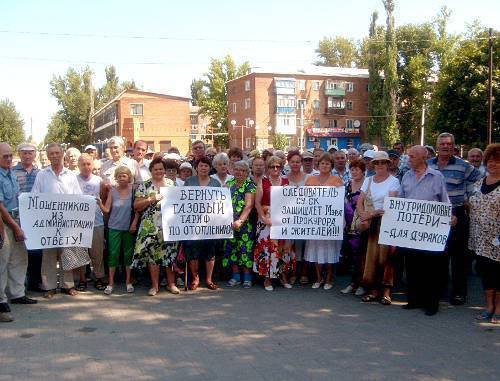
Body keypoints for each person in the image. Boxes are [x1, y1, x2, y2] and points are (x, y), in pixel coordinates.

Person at [428, 132, 481, 305]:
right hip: (434, 214)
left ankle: (459, 293)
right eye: (442, 144)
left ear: (453, 147)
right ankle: (441, 290)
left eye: (448, 144)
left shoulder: (463, 166)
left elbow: (480, 180)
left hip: (457, 213)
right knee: (439, 254)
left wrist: (470, 197)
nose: (445, 146)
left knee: (459, 257)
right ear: (437, 146)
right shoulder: (428, 165)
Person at [399, 146, 451, 316]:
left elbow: (444, 201)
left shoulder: (437, 176)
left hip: (430, 231)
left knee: (430, 268)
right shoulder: (406, 176)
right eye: (408, 156)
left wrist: (450, 217)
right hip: (411, 231)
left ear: (424, 157)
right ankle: (414, 300)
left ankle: (431, 303)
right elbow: (401, 200)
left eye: (412, 156)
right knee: (412, 266)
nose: (409, 159)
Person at [31, 143, 83, 298]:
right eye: (51, 153)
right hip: (49, 222)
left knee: (67, 252)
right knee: (49, 255)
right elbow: (35, 196)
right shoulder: (42, 174)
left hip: (67, 222)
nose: (54, 156)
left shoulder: (71, 175)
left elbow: (78, 197)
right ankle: (49, 286)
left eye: (57, 153)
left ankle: (68, 285)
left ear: (62, 154)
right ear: (48, 156)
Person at [132, 157, 180, 296]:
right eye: (156, 169)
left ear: (164, 170)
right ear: (151, 170)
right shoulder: (145, 185)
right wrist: (150, 199)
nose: (159, 171)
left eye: (161, 169)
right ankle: (155, 286)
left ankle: (171, 284)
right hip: (150, 226)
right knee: (153, 256)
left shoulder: (172, 184)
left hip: (169, 225)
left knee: (170, 255)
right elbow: (136, 205)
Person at [0, 143, 37, 323]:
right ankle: (1, 302)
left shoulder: (12, 175)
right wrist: (15, 227)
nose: (8, 159)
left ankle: (17, 294)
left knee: (20, 259)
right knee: (2, 263)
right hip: (4, 224)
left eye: (9, 156)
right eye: (4, 156)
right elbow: (0, 207)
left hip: (17, 220)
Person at [357, 151, 400, 305]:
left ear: (388, 164)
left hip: (387, 222)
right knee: (371, 257)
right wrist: (363, 215)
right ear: (373, 165)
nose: (380, 165)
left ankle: (386, 291)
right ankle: (373, 290)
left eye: (383, 162)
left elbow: (392, 203)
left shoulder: (394, 181)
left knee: (387, 257)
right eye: (377, 163)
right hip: (371, 223)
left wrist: (371, 214)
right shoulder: (368, 181)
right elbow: (359, 201)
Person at [468, 143, 500, 324]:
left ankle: (499, 307)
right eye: (490, 161)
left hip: (498, 239)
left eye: (497, 162)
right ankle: (488, 306)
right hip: (480, 237)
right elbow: (471, 204)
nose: (493, 165)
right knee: (485, 272)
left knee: (499, 273)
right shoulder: (479, 183)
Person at [304, 153, 343, 290]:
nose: (325, 165)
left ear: (331, 166)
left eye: (327, 163)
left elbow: (340, 202)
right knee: (316, 250)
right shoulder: (310, 180)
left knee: (330, 250)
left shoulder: (337, 180)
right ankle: (319, 277)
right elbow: (304, 201)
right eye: (322, 163)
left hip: (330, 222)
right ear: (318, 165)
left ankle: (329, 278)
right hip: (314, 222)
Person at [98, 166, 139, 295]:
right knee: (113, 255)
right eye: (119, 176)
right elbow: (107, 210)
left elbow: (137, 209)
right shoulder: (113, 191)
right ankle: (110, 283)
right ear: (116, 177)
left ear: (129, 177)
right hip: (114, 228)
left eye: (124, 175)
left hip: (128, 228)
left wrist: (134, 223)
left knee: (128, 255)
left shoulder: (134, 190)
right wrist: (99, 203)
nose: (122, 178)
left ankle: (128, 282)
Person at [253, 156, 291, 291]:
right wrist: (264, 218)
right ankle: (267, 278)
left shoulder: (286, 181)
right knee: (267, 249)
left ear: (281, 167)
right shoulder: (262, 182)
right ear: (267, 168)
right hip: (266, 219)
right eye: (272, 166)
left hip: (282, 219)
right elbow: (257, 203)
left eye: (278, 166)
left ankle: (282, 276)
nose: (275, 169)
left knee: (282, 247)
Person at [183, 157, 221, 290]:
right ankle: (195, 278)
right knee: (193, 252)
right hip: (193, 223)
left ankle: (209, 279)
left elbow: (219, 203)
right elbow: (184, 201)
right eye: (201, 165)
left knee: (210, 252)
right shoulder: (189, 181)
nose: (203, 168)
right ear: (196, 167)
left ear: (210, 168)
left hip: (210, 224)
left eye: (206, 166)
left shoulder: (215, 183)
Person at [12, 142, 42, 292]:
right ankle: (19, 285)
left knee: (36, 251)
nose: (27, 155)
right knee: (20, 252)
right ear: (20, 154)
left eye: (30, 152)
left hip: (36, 218)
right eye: (24, 152)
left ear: (35, 155)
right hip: (19, 217)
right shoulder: (12, 172)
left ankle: (34, 282)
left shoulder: (40, 173)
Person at [223, 161, 256, 288]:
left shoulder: (250, 185)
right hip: (228, 223)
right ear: (232, 170)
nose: (239, 172)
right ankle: (235, 276)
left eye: (242, 170)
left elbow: (249, 206)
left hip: (245, 224)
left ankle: (247, 277)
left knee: (245, 250)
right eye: (236, 169)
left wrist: (240, 221)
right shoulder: (228, 184)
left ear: (247, 173)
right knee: (231, 250)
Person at [76, 154, 106, 291]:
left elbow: (105, 199)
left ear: (93, 165)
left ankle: (99, 277)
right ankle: (82, 279)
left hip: (96, 222)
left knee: (97, 253)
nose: (86, 167)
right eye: (83, 164)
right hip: (79, 223)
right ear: (78, 165)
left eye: (88, 164)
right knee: (81, 252)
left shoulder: (99, 181)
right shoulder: (73, 180)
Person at [340, 159, 367, 296]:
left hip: (361, 225)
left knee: (361, 257)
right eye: (352, 169)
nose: (354, 172)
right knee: (351, 256)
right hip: (348, 225)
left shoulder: (368, 184)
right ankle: (353, 283)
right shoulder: (346, 185)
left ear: (363, 171)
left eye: (357, 169)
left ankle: (362, 284)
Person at [284, 150, 309, 285]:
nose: (295, 164)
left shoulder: (309, 178)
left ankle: (304, 273)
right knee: (291, 245)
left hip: (304, 216)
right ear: (288, 162)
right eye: (292, 161)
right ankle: (292, 272)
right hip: (289, 216)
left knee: (303, 245)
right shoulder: (284, 178)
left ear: (301, 163)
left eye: (298, 161)